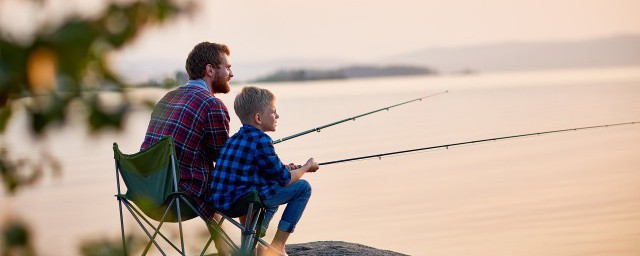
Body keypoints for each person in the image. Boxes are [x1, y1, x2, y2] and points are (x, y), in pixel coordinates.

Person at [140, 42, 233, 254]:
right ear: (210, 70)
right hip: (179, 198)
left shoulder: (167, 98)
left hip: (148, 192)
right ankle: (247, 249)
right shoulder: (212, 105)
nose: (231, 73)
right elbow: (224, 161)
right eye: (227, 67)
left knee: (208, 180)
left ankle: (227, 250)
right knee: (246, 183)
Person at [210, 86, 319, 256]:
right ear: (258, 118)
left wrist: (286, 168)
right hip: (242, 203)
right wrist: (306, 167)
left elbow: (264, 169)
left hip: (220, 203)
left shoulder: (233, 139)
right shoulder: (261, 140)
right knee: (303, 188)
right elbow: (284, 179)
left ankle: (255, 244)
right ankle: (277, 246)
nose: (277, 116)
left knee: (270, 185)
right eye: (274, 112)